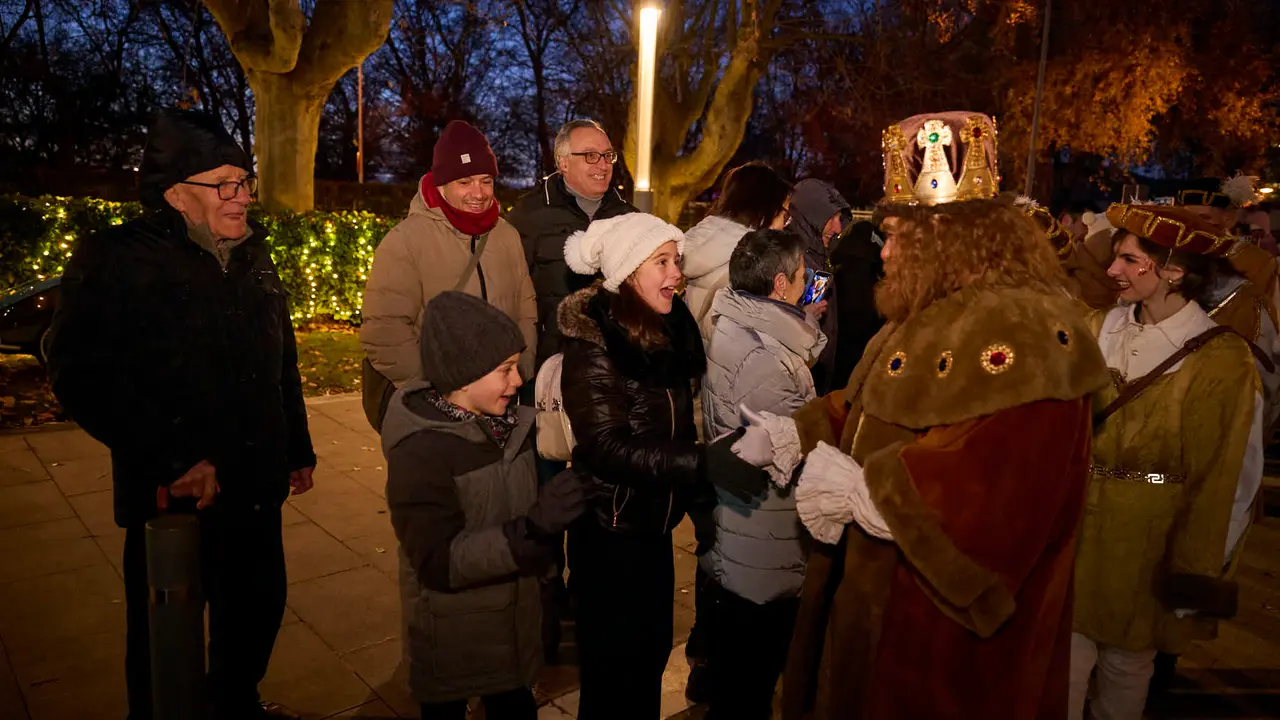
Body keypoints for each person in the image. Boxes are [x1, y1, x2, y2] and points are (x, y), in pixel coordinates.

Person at [737, 111, 1111, 719]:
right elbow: (871, 409)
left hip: (939, 638)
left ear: (946, 241)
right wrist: (795, 431)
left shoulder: (1032, 330)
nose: (883, 250)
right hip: (874, 599)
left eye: (896, 235)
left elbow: (1007, 489)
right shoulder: (923, 315)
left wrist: (869, 491)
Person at [47, 109, 315, 720]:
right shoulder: (116, 257)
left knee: (256, 612)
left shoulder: (254, 256)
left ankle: (235, 706)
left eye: (244, 181)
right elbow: (78, 371)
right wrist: (171, 458)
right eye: (224, 183)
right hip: (174, 498)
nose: (242, 196)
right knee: (165, 640)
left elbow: (283, 362)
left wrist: (296, 447)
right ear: (175, 194)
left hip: (254, 484)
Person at [1069, 204, 1263, 720]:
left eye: (1131, 261)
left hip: (1149, 548)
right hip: (1075, 538)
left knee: (1126, 679)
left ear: (1175, 271)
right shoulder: (1093, 329)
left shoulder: (1222, 360)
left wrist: (1199, 567)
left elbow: (1231, 474)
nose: (1113, 271)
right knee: (1059, 677)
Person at [383, 291, 587, 720]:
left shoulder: (509, 426)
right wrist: (531, 532)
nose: (518, 380)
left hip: (510, 635)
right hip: (454, 638)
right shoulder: (422, 452)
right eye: (505, 370)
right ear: (463, 375)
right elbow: (439, 561)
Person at [556, 212, 723, 719]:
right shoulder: (595, 344)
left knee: (647, 665)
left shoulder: (663, 332)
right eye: (662, 262)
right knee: (612, 683)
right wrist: (704, 465)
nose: (677, 273)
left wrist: (702, 507)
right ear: (628, 272)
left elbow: (676, 429)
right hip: (608, 536)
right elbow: (608, 446)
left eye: (677, 260)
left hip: (651, 530)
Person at [699, 228, 826, 719]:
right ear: (779, 285)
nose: (807, 282)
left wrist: (800, 327)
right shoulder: (765, 359)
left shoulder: (737, 321)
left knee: (737, 678)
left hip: (741, 528)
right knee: (748, 687)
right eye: (801, 276)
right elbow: (789, 449)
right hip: (765, 539)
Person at [360, 120, 537, 428]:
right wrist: (439, 391)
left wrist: (515, 374)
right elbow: (384, 331)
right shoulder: (406, 240)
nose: (478, 193)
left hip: (500, 402)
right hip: (435, 409)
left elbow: (526, 309)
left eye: (486, 181)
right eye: (464, 182)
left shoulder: (506, 235)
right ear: (440, 184)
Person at [508, 118, 637, 369]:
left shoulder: (630, 218)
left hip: (616, 363)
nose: (602, 164)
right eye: (590, 155)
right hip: (548, 364)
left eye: (607, 155)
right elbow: (508, 296)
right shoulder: (527, 217)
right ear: (563, 162)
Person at [681, 161, 793, 345]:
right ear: (765, 211)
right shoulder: (749, 265)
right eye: (785, 216)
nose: (783, 226)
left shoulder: (705, 242)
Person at [787, 178, 852, 395]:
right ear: (809, 217)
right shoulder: (792, 263)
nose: (837, 227)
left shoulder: (819, 259)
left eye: (839, 218)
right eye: (830, 217)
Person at [826, 220, 885, 390]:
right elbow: (861, 318)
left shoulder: (843, 265)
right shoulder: (862, 271)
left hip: (839, 349)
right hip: (854, 352)